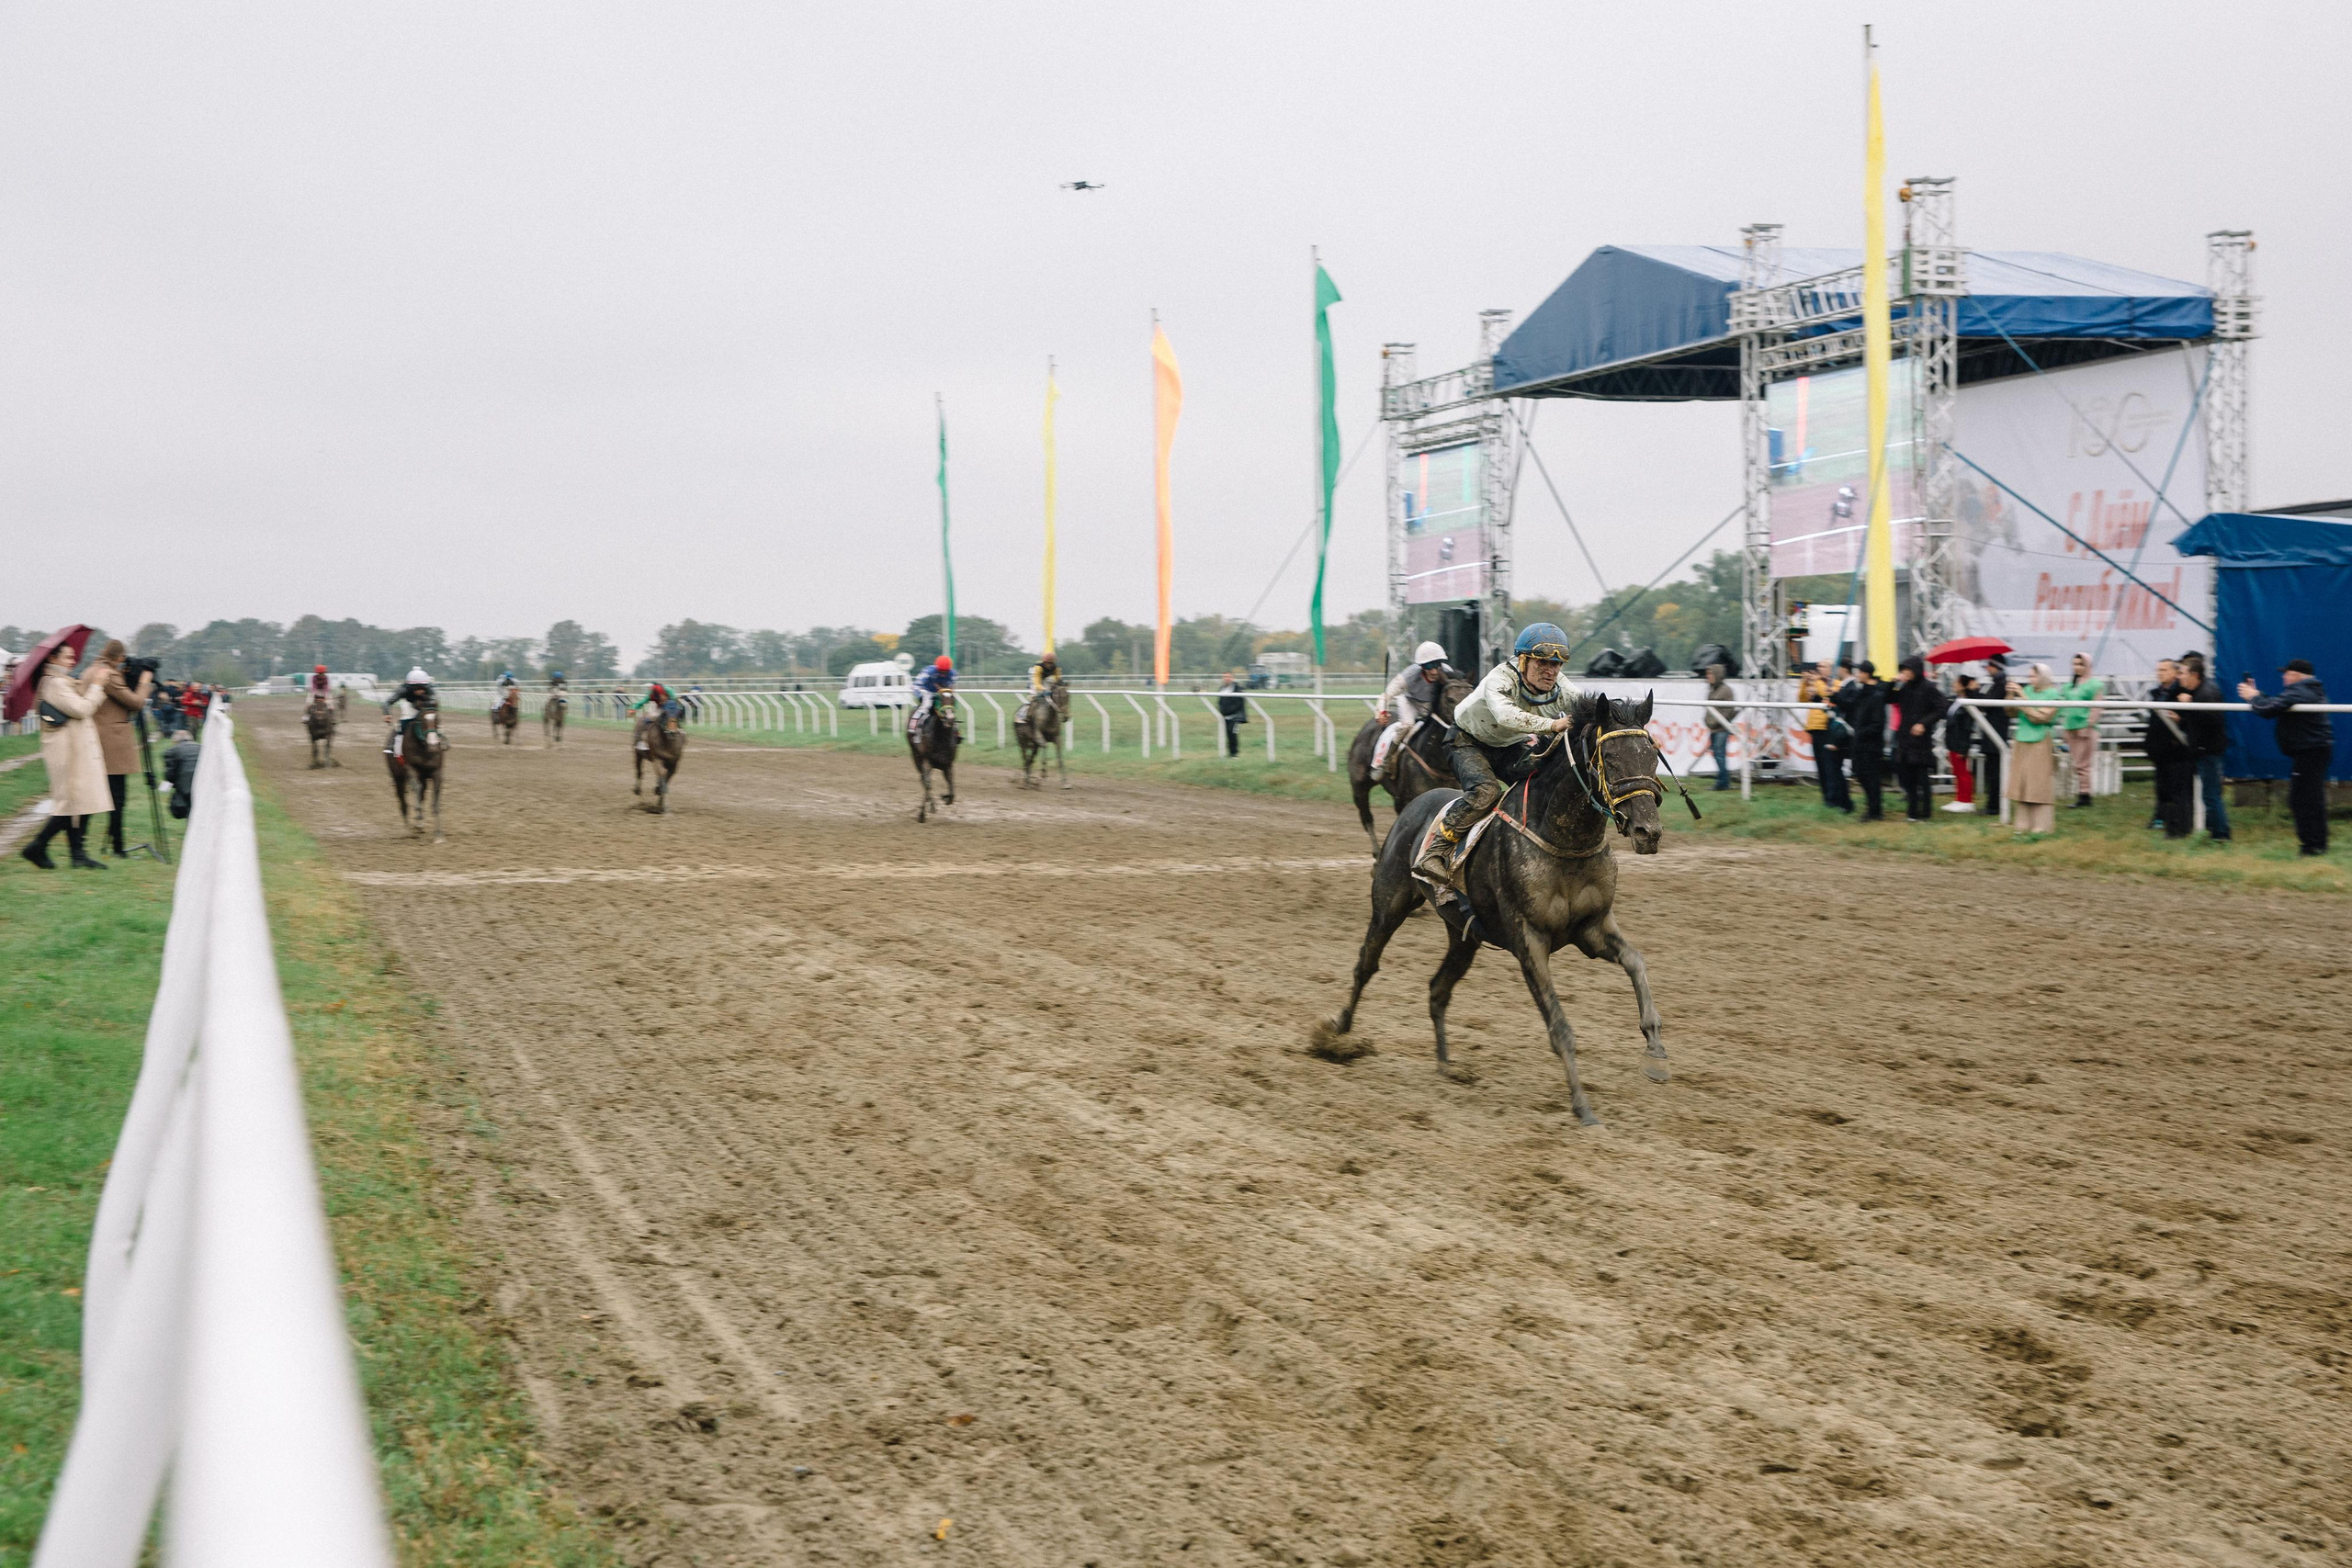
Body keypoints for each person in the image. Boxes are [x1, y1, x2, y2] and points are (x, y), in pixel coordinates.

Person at [1414, 623, 1581, 882]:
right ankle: (1435, 850)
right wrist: (1552, 725)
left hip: (1509, 746)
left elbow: (1595, 710)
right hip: (1466, 740)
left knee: (1547, 780)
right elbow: (1505, 716)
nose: (1550, 672)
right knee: (1486, 791)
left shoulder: (1563, 687)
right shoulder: (1500, 678)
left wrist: (1640, 733)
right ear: (1523, 660)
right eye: (1542, 663)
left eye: (1556, 665)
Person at [21, 643, 112, 870]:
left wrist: (93, 675)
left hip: (72, 748)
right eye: (68, 657)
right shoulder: (56, 683)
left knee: (79, 802)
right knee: (72, 803)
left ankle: (77, 854)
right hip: (68, 751)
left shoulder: (60, 681)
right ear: (53, 657)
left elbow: (79, 696)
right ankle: (38, 845)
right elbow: (81, 709)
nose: (73, 661)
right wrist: (98, 686)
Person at [2239, 660, 2335, 856]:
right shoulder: (2306, 690)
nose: (2283, 677)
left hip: (2310, 752)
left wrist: (2254, 697)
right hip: (2312, 751)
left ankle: (2312, 846)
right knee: (2310, 799)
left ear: (2297, 675)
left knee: (2302, 800)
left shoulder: (2300, 691)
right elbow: (2275, 705)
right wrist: (2258, 696)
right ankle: (2316, 844)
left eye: (2287, 673)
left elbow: (2268, 710)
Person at [91, 640, 155, 858]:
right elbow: (136, 703)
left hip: (101, 738)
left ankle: (95, 845)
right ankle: (117, 847)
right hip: (112, 741)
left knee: (108, 796)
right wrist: (145, 682)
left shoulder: (93, 669)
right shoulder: (109, 674)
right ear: (118, 658)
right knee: (118, 798)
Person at [1374, 641, 1454, 781]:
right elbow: (1386, 695)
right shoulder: (1410, 674)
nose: (1434, 671)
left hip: (1431, 705)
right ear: (1421, 666)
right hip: (1410, 702)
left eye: (1437, 665)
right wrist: (1381, 712)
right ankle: (1385, 761)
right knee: (1407, 725)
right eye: (1429, 666)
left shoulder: (1447, 672)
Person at [2175, 657, 2231, 842]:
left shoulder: (2205, 694)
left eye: (2182, 673)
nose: (2179, 677)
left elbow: (2211, 721)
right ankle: (2216, 830)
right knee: (2211, 794)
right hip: (2206, 750)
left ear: (2194, 675)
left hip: (2209, 751)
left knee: (2211, 795)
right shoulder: (2204, 691)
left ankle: (2221, 835)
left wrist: (2188, 708)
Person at [1889, 655, 1951, 822]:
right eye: (1903, 670)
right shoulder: (1905, 688)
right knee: (1907, 776)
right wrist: (1892, 683)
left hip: (1921, 739)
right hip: (1905, 737)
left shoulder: (1928, 687)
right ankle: (1912, 812)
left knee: (1922, 777)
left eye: (1908, 670)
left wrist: (1924, 724)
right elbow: (1888, 698)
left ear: (1915, 670)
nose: (1905, 673)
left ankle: (1925, 813)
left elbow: (1942, 707)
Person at [2006, 664, 2063, 836]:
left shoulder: (2054, 695)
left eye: (2034, 677)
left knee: (2038, 784)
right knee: (2021, 784)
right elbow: (2011, 712)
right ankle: (2022, 824)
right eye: (2029, 677)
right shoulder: (2028, 690)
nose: (2031, 680)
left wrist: (2022, 696)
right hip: (2022, 740)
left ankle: (2041, 825)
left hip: (2041, 742)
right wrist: (2010, 694)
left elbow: (2040, 717)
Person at [2142, 659, 2195, 839]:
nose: (2160, 673)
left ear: (2174, 673)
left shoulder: (2183, 694)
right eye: (2158, 670)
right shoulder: (2157, 693)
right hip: (2159, 749)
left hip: (2176, 750)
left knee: (2177, 790)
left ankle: (2179, 826)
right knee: (2162, 787)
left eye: (2164, 670)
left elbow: (2189, 721)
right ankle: (2162, 819)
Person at [1832, 660, 1890, 821]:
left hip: (1871, 745)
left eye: (1859, 672)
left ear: (1866, 674)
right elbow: (1849, 706)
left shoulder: (1877, 695)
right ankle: (1872, 809)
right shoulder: (1862, 693)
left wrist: (1861, 733)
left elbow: (1878, 724)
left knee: (1871, 778)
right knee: (1863, 777)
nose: (1857, 675)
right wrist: (1833, 696)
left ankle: (1875, 811)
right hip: (1860, 743)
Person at [2054, 651, 2102, 807]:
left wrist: (2089, 724)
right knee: (2077, 763)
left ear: (2088, 665)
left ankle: (2085, 795)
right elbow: (2062, 705)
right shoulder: (2069, 686)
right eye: (2075, 664)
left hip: (2085, 728)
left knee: (2083, 764)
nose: (2077, 667)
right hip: (2070, 728)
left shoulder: (2095, 685)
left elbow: (2096, 707)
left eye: (2081, 664)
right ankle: (2083, 794)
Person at [1798, 660, 1846, 810]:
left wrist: (1816, 681)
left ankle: (1834, 799)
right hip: (1815, 728)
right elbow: (1802, 699)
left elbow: (1826, 695)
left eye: (1823, 667)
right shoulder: (1815, 683)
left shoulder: (1836, 684)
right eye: (1818, 667)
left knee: (1829, 766)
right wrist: (1805, 683)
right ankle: (1827, 798)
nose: (1819, 669)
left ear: (1831, 669)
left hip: (1828, 729)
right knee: (1821, 767)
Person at [1974, 654, 2010, 812]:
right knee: (1993, 771)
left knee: (1995, 772)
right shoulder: (1998, 683)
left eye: (1989, 665)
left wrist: (1974, 692)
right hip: (1994, 731)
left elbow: (1987, 704)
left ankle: (1994, 806)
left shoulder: (2001, 684)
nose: (1986, 668)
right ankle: (1993, 804)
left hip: (1996, 732)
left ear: (1996, 667)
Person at [382, 667, 442, 755]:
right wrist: (387, 713)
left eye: (422, 688)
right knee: (403, 724)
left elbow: (434, 702)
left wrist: (425, 705)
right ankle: (392, 744)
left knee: (432, 719)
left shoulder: (430, 689)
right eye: (416, 688)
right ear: (410, 687)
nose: (420, 690)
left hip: (424, 702)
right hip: (408, 703)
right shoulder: (403, 690)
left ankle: (441, 737)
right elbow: (387, 702)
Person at [1942, 673, 1980, 810]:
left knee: (1964, 772)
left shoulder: (1968, 703)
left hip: (1961, 742)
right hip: (1952, 740)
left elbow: (1968, 727)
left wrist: (1964, 747)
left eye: (1956, 683)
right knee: (1957, 771)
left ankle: (1967, 800)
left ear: (1963, 686)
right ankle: (1959, 798)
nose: (1953, 685)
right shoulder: (1955, 701)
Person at [1702, 664, 1738, 790]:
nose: (1708, 677)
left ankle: (1722, 783)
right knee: (1718, 755)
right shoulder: (1713, 689)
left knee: (1720, 756)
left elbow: (1729, 710)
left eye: (1710, 674)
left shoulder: (1726, 690)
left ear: (1717, 675)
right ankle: (1723, 781)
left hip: (1721, 730)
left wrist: (1716, 721)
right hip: (1714, 729)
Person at [910, 654, 955, 738]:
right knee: (926, 705)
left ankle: (955, 731)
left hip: (941, 692)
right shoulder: (928, 671)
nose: (943, 674)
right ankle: (913, 725)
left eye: (945, 672)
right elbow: (916, 684)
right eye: (941, 671)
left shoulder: (952, 674)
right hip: (927, 691)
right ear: (937, 668)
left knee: (949, 707)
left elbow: (950, 686)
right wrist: (919, 694)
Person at [1216, 671, 1247, 756]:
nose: (1227, 678)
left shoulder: (1237, 688)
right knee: (1228, 734)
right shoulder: (1222, 689)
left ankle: (1234, 753)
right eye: (1225, 677)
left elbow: (1240, 703)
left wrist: (1231, 710)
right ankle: (1230, 753)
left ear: (1232, 678)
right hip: (1225, 716)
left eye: (1228, 677)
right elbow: (1220, 702)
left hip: (1236, 716)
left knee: (1233, 733)